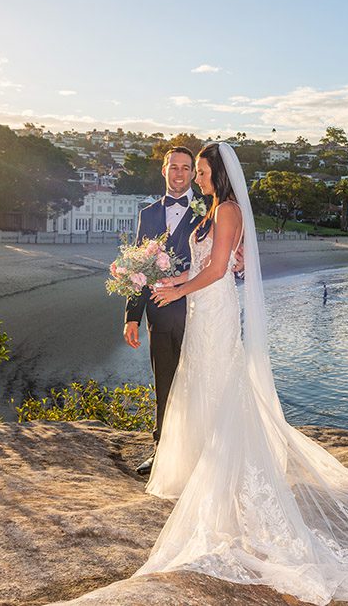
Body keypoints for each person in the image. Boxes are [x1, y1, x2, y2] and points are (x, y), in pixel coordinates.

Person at [142, 142, 348, 605]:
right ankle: (201, 470)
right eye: (194, 172)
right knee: (203, 384)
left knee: (220, 387)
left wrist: (177, 286)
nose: (197, 178)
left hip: (215, 311)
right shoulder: (218, 209)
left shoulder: (227, 211)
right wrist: (185, 281)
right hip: (206, 309)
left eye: (201, 172)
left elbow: (218, 268)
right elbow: (226, 263)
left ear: (217, 173)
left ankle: (227, 479)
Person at [123, 146, 199, 475]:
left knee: (199, 383)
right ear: (164, 170)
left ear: (195, 173)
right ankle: (161, 451)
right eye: (174, 167)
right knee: (164, 384)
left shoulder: (208, 210)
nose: (179, 173)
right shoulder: (148, 215)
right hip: (160, 315)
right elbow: (139, 267)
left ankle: (202, 454)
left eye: (186, 168)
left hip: (200, 312)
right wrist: (132, 317)